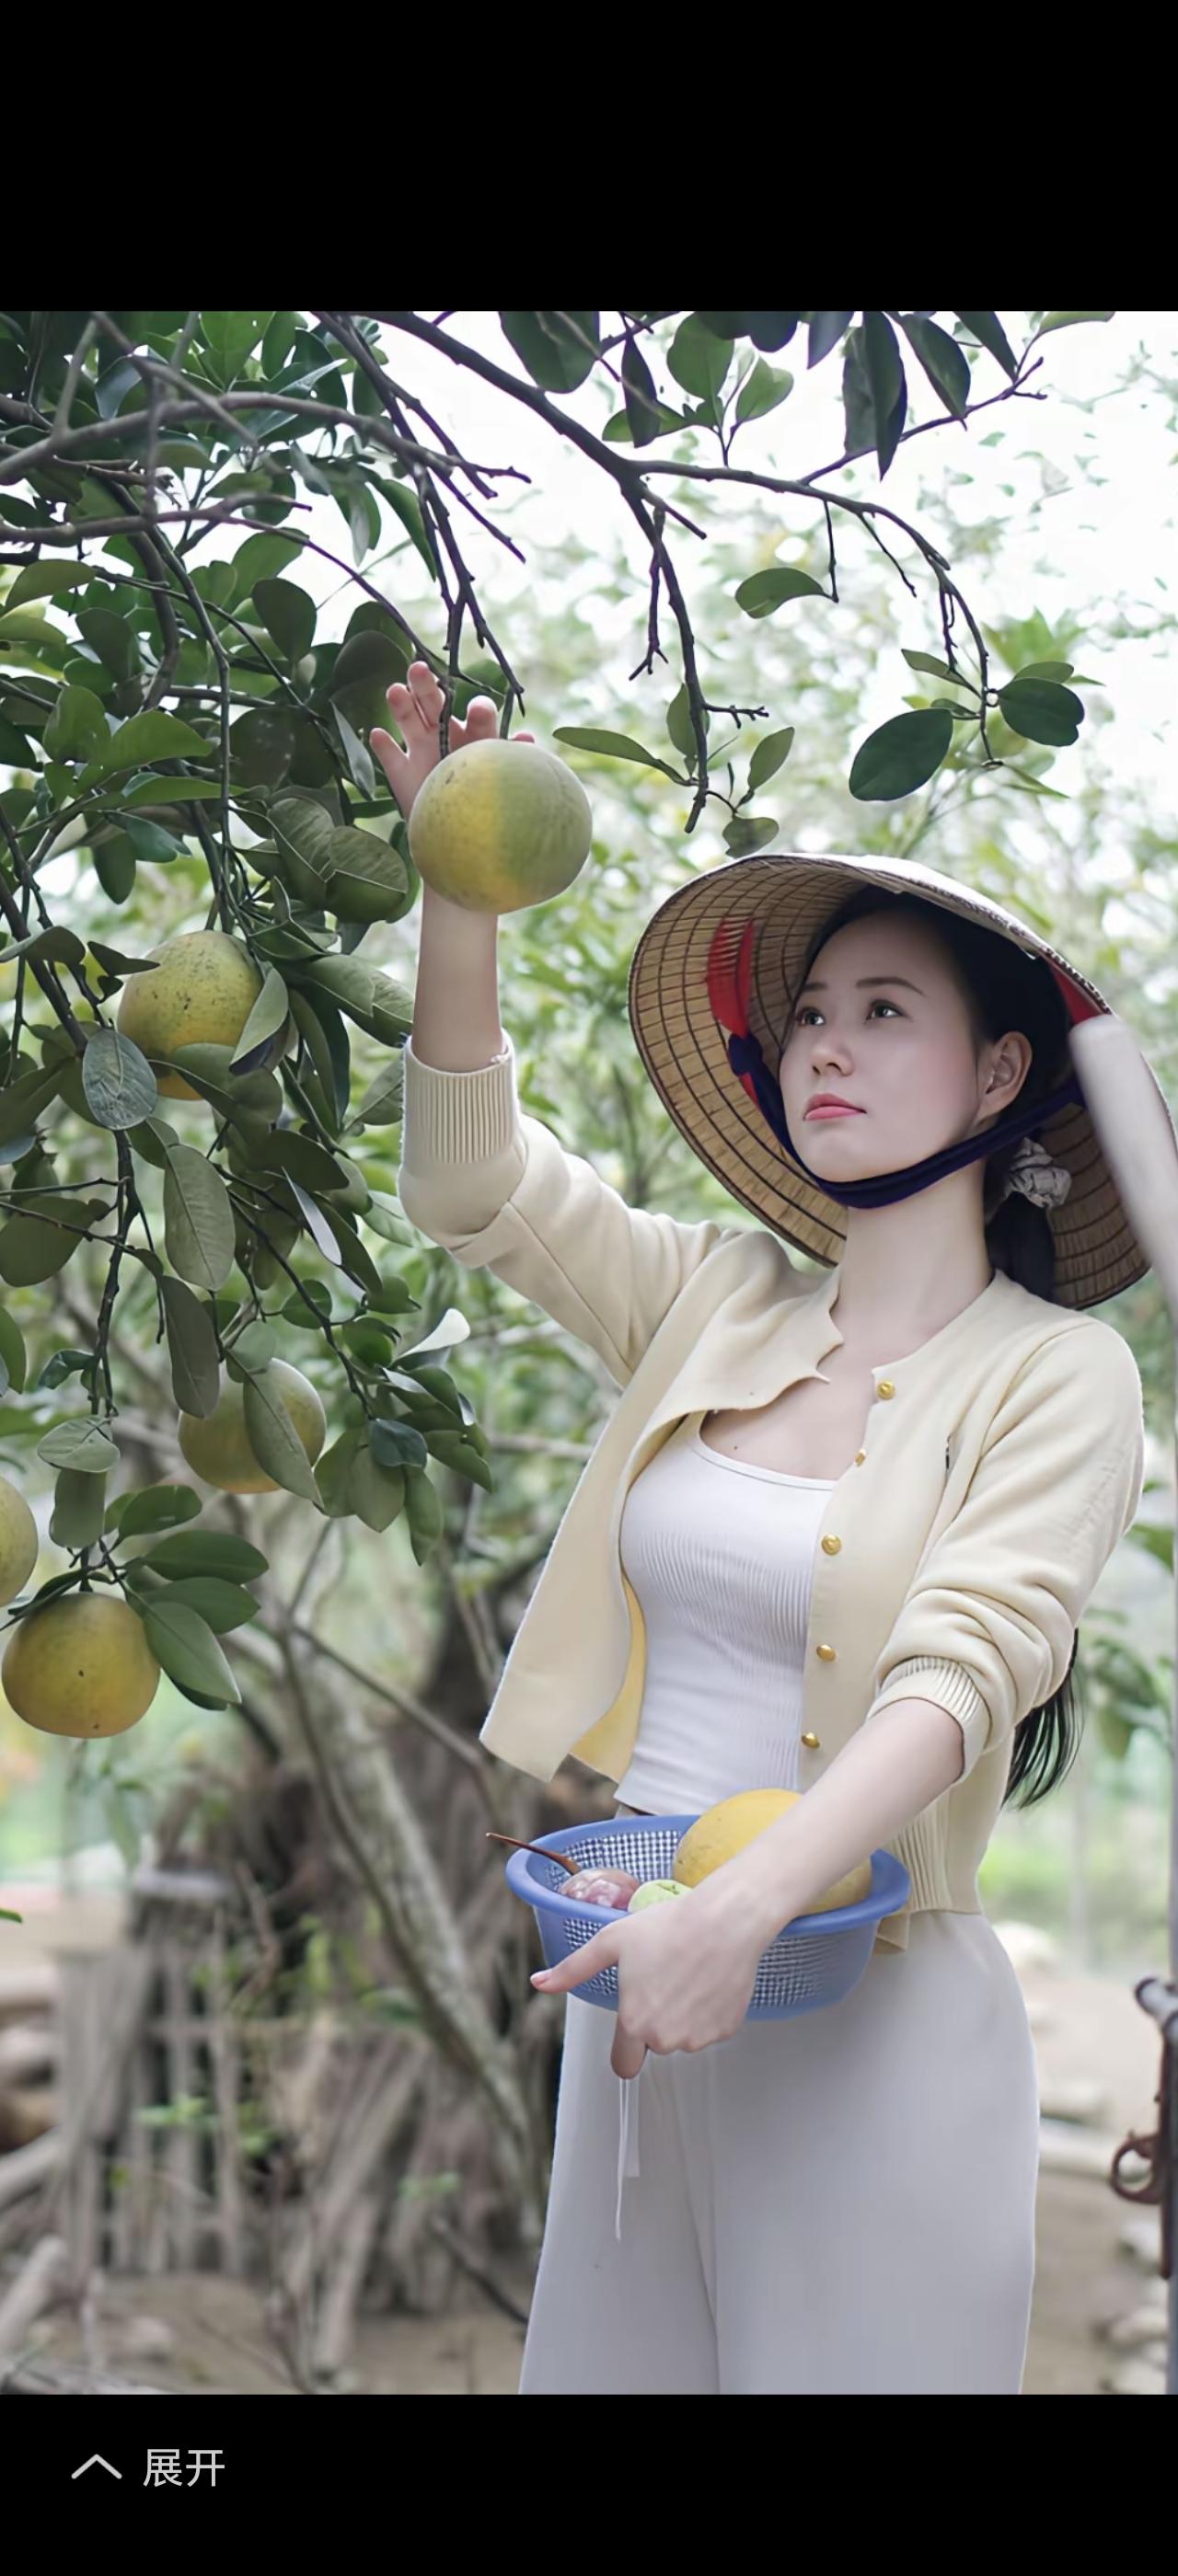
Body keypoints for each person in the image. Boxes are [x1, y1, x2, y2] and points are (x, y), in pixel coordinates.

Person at [376, 665, 1154, 2397]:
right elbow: (469, 1185)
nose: (824, 1044)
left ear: (1001, 1070)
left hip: (869, 2028)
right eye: (808, 1013)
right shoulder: (711, 1300)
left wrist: (746, 1913)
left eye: (885, 1011)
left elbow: (971, 1668)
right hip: (642, 1994)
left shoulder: (1059, 1376)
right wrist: (460, 877)